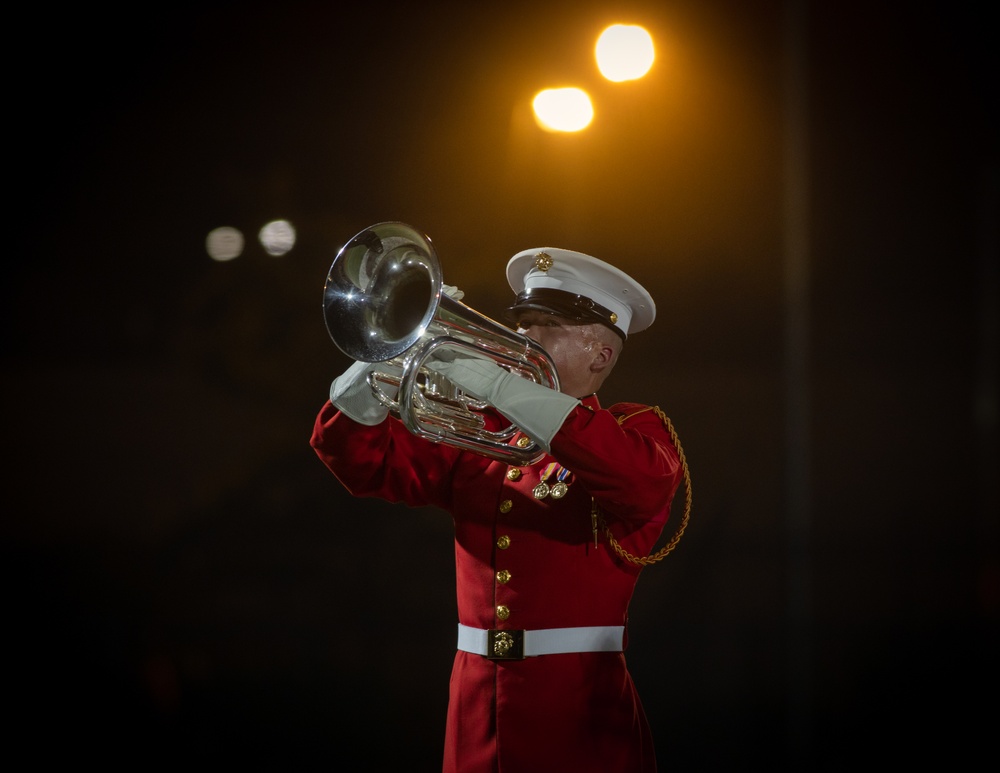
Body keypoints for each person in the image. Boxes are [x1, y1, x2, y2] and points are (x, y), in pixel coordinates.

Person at [311, 240, 690, 773]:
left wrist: (496, 383)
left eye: (545, 326)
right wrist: (375, 374)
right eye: (522, 322)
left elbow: (637, 482)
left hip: (578, 713)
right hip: (474, 707)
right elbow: (366, 466)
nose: (522, 337)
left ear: (599, 355)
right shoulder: (487, 433)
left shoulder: (635, 431)